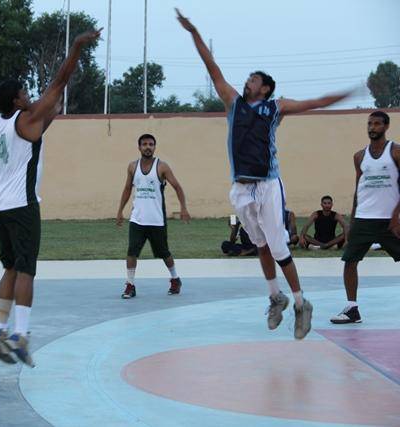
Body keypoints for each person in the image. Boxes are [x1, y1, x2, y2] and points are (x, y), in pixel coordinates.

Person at [176, 8, 351, 339]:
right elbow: (212, 69)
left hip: (268, 185)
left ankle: (301, 304)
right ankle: (276, 297)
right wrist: (193, 32)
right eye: (248, 78)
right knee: (260, 246)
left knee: (279, 247)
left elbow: (315, 102)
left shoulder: (276, 107)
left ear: (266, 88)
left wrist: (348, 93)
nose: (247, 81)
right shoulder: (234, 103)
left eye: (253, 79)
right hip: (240, 189)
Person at [0, 28, 102, 367]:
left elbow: (38, 128)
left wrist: (51, 110)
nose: (28, 94)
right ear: (16, 101)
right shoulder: (26, 117)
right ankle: (21, 336)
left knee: (9, 267)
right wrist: (77, 49)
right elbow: (59, 83)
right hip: (22, 205)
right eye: (23, 92)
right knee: (26, 271)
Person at [331, 111, 400, 324]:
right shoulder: (359, 156)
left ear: (386, 127)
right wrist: (351, 221)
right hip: (363, 218)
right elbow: (358, 189)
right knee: (350, 261)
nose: (372, 127)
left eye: (377, 123)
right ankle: (352, 309)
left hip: (389, 219)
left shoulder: (396, 152)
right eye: (369, 124)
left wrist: (397, 216)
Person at [116, 134, 191, 298]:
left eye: (151, 144)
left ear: (155, 147)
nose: (147, 147)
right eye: (144, 144)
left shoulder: (162, 166)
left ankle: (175, 278)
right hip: (137, 219)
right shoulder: (132, 166)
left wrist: (183, 208)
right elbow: (127, 189)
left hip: (156, 220)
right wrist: (120, 210)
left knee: (164, 253)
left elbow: (177, 187)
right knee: (131, 252)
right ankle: (130, 284)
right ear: (139, 147)